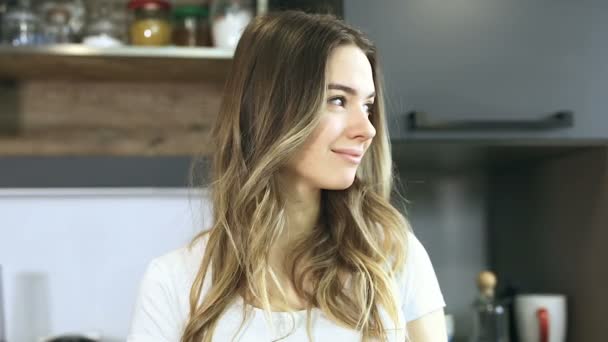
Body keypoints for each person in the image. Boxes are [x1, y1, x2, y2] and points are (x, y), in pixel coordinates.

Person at [127, 10, 446, 342]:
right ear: (270, 109)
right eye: (338, 100)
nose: (366, 129)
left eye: (367, 106)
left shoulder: (393, 256)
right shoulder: (174, 281)